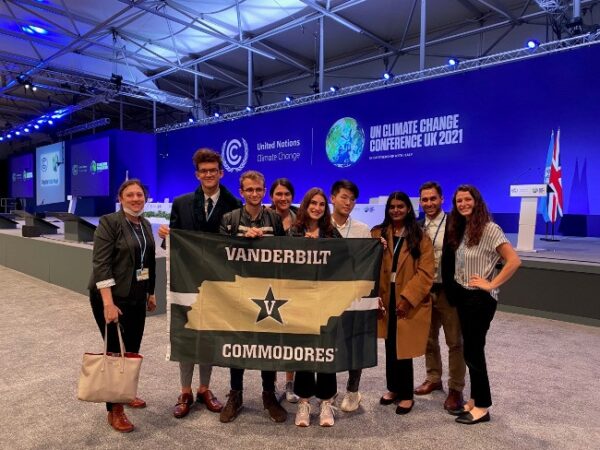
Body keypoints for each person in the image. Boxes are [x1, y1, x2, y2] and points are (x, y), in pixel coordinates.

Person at [158, 148, 241, 419]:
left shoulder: (234, 204)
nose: (208, 175)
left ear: (221, 173)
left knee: (208, 334)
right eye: (203, 171)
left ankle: (205, 388)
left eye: (213, 171)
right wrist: (165, 236)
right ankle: (185, 391)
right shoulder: (181, 204)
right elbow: (173, 243)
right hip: (187, 281)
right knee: (186, 332)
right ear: (197, 174)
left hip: (218, 284)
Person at [445, 184, 521, 425]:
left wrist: (491, 284)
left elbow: (513, 260)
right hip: (464, 296)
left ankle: (483, 406)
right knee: (470, 350)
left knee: (474, 352)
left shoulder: (490, 229)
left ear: (476, 201)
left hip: (479, 299)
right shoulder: (464, 228)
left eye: (468, 200)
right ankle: (475, 398)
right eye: (459, 201)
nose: (464, 204)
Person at [219, 170, 288, 423]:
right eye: (249, 190)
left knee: (267, 343)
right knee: (238, 343)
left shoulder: (274, 218)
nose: (255, 194)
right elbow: (219, 254)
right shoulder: (229, 218)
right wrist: (241, 241)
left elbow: (284, 251)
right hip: (239, 291)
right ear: (241, 192)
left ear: (264, 189)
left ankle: (268, 394)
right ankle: (235, 393)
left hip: (268, 292)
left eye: (259, 189)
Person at [88, 179, 157, 433]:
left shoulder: (146, 224)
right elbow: (101, 264)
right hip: (111, 299)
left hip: (137, 297)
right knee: (116, 352)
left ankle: (125, 393)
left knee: (132, 351)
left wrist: (150, 292)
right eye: (131, 195)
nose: (136, 198)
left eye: (140, 194)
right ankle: (114, 409)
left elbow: (149, 260)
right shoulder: (110, 222)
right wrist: (108, 302)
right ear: (121, 197)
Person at [371, 192, 434, 416]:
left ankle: (407, 395)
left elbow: (426, 273)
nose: (396, 210)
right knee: (389, 344)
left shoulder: (420, 237)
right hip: (385, 294)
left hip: (407, 297)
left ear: (408, 209)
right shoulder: (377, 233)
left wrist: (408, 299)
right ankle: (394, 388)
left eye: (400, 206)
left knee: (403, 347)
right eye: (392, 206)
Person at [289, 187, 342, 427]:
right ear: (306, 205)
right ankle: (303, 403)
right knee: (304, 351)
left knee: (326, 352)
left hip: (327, 303)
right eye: (313, 203)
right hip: (300, 302)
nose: (317, 208)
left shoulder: (332, 233)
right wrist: (303, 247)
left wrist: (376, 246)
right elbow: (282, 262)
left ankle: (326, 403)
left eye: (322, 204)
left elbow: (347, 260)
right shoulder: (294, 232)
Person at [413, 181, 466, 411]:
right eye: (424, 199)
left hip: (449, 290)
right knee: (428, 339)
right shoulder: (416, 226)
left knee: (455, 342)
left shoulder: (456, 223)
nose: (429, 203)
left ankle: (456, 388)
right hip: (424, 290)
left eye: (433, 198)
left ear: (442, 199)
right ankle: (433, 378)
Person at [329, 179, 372, 412]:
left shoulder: (362, 230)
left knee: (354, 343)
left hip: (354, 298)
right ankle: (331, 391)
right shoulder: (321, 227)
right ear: (332, 198)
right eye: (344, 197)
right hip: (326, 298)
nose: (348, 202)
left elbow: (368, 264)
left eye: (352, 199)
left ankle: (353, 390)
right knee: (329, 344)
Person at [269, 178, 299, 404]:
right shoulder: (262, 217)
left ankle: (290, 383)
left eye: (287, 193)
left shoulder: (302, 218)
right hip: (268, 286)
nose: (283, 198)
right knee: (270, 336)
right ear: (272, 196)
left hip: (295, 287)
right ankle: (269, 384)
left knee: (292, 336)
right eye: (279, 194)